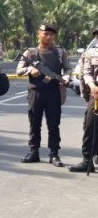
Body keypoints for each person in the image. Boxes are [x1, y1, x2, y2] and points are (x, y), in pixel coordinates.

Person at [15, 24, 71, 166]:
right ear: (38, 34)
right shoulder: (31, 52)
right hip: (36, 91)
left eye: (51, 34)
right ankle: (34, 152)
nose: (49, 37)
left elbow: (68, 68)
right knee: (34, 123)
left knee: (53, 124)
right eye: (45, 34)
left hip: (54, 92)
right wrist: (30, 70)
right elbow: (19, 70)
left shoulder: (60, 52)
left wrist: (66, 77)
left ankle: (54, 154)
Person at [69, 41, 98, 173]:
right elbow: (86, 73)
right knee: (90, 126)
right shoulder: (90, 53)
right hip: (96, 93)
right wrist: (93, 87)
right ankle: (87, 161)